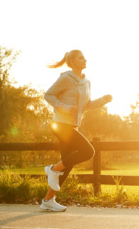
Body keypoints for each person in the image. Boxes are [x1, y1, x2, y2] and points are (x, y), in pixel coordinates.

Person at [40, 50, 112, 211]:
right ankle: (52, 169)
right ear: (72, 61)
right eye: (81, 57)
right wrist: (64, 107)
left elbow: (87, 105)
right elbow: (48, 95)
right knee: (88, 151)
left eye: (84, 57)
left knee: (68, 164)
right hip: (60, 124)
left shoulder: (87, 82)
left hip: (72, 126)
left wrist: (103, 100)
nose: (85, 59)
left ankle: (48, 200)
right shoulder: (66, 78)